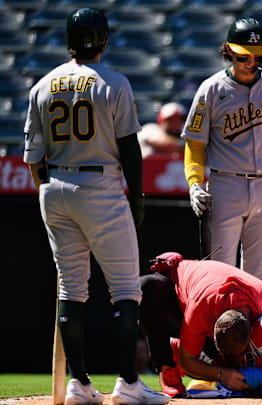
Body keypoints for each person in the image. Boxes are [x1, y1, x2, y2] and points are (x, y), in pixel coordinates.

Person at [22, 8, 170, 405]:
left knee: (72, 289)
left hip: (54, 184)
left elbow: (32, 159)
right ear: (103, 40)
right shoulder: (115, 83)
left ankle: (80, 384)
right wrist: (136, 196)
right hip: (100, 183)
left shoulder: (42, 85)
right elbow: (129, 148)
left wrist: (50, 194)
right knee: (124, 290)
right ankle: (127, 385)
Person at [182, 17, 262, 282]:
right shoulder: (211, 89)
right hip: (225, 184)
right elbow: (195, 143)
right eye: (244, 57)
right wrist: (195, 183)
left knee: (259, 277)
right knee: (220, 274)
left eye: (258, 57)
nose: (252, 63)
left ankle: (254, 325)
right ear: (228, 51)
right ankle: (219, 325)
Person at [138, 251, 262, 397]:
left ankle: (183, 348)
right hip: (178, 290)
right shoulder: (201, 310)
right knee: (147, 287)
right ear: (213, 327)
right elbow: (187, 360)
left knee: (241, 369)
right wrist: (221, 374)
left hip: (211, 298)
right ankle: (167, 366)